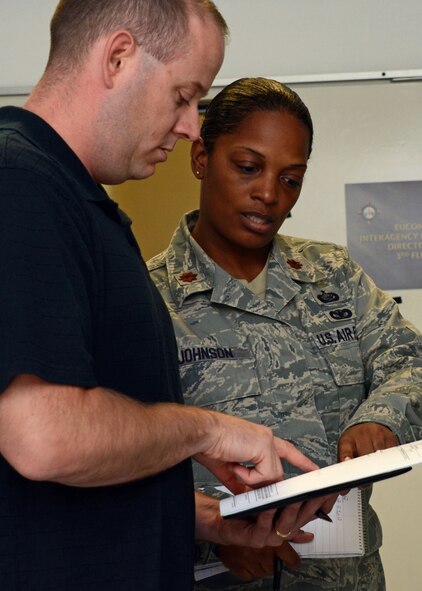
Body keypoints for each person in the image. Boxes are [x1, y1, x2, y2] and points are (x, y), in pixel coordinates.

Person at [0, 6, 336, 591]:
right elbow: (42, 437)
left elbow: (91, 471)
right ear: (118, 57)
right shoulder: (21, 184)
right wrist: (206, 431)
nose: (189, 127)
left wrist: (210, 520)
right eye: (184, 96)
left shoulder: (86, 206)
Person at [148, 77, 422, 590]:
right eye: (248, 168)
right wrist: (205, 527)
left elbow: (409, 360)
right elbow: (118, 449)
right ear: (201, 157)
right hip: (217, 577)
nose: (270, 194)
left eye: (291, 179)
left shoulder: (332, 273)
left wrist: (383, 419)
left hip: (347, 577)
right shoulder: (149, 297)